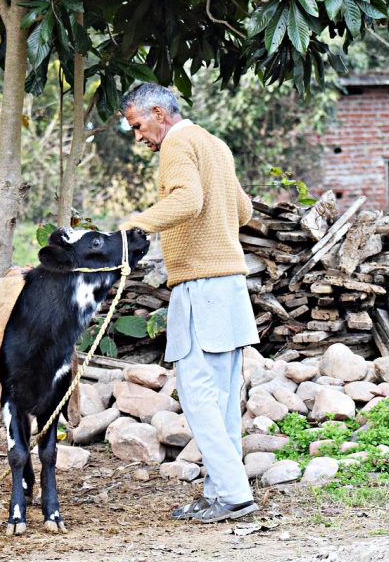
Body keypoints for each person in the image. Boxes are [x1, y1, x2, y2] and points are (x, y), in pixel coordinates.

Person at [118, 83, 260, 523]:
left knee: (198, 398)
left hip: (201, 287)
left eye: (138, 125)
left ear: (159, 113)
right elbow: (244, 210)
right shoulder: (214, 144)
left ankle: (234, 495)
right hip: (229, 286)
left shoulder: (177, 144)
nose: (138, 136)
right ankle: (221, 490)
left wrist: (134, 224)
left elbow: (188, 199)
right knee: (218, 400)